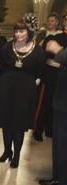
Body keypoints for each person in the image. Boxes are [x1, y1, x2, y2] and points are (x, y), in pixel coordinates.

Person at [0, 14, 46, 168]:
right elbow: (2, 66)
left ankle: (17, 155)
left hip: (25, 92)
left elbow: (41, 70)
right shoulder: (7, 46)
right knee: (6, 123)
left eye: (22, 31)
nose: (18, 34)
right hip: (7, 88)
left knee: (19, 125)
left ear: (29, 32)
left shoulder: (38, 50)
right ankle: (6, 152)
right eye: (16, 31)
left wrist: (36, 81)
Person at [38, 38, 67, 185]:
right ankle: (57, 178)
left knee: (64, 145)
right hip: (61, 101)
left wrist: (58, 51)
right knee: (58, 144)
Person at [33, 13, 63, 141]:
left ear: (57, 22)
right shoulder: (42, 35)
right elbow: (39, 53)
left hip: (59, 74)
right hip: (46, 74)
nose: (50, 23)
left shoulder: (63, 35)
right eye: (48, 20)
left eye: (52, 21)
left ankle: (50, 130)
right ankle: (38, 131)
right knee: (43, 103)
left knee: (54, 103)